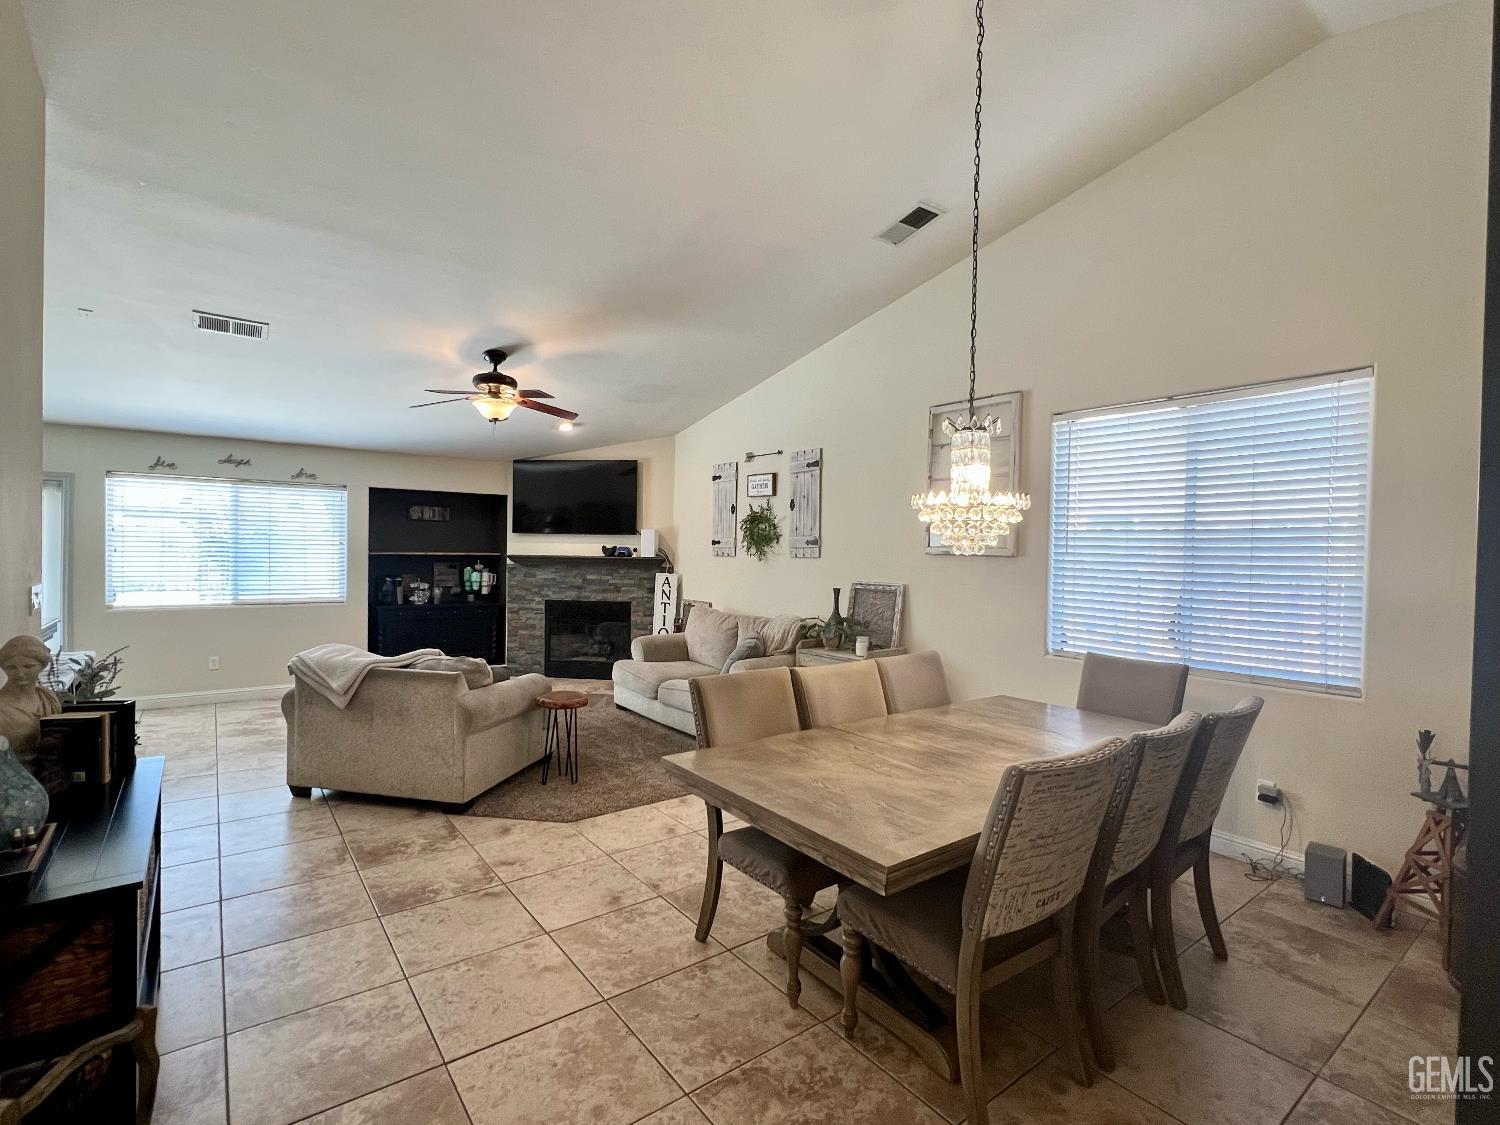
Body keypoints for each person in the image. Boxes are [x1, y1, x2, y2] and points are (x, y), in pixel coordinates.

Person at [0, 635, 61, 762]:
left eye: (28, 666)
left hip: (49, 770)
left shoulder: (48, 698)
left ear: (42, 666)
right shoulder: (2, 707)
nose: (20, 673)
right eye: (11, 668)